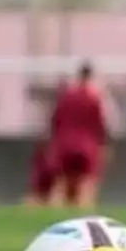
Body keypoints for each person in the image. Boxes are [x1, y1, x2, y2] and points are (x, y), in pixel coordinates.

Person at [48, 61, 110, 208]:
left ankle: (52, 215)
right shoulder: (95, 97)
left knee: (61, 182)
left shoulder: (66, 96)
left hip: (65, 144)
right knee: (87, 183)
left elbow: (55, 120)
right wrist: (104, 146)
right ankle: (84, 216)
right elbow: (101, 124)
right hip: (87, 146)